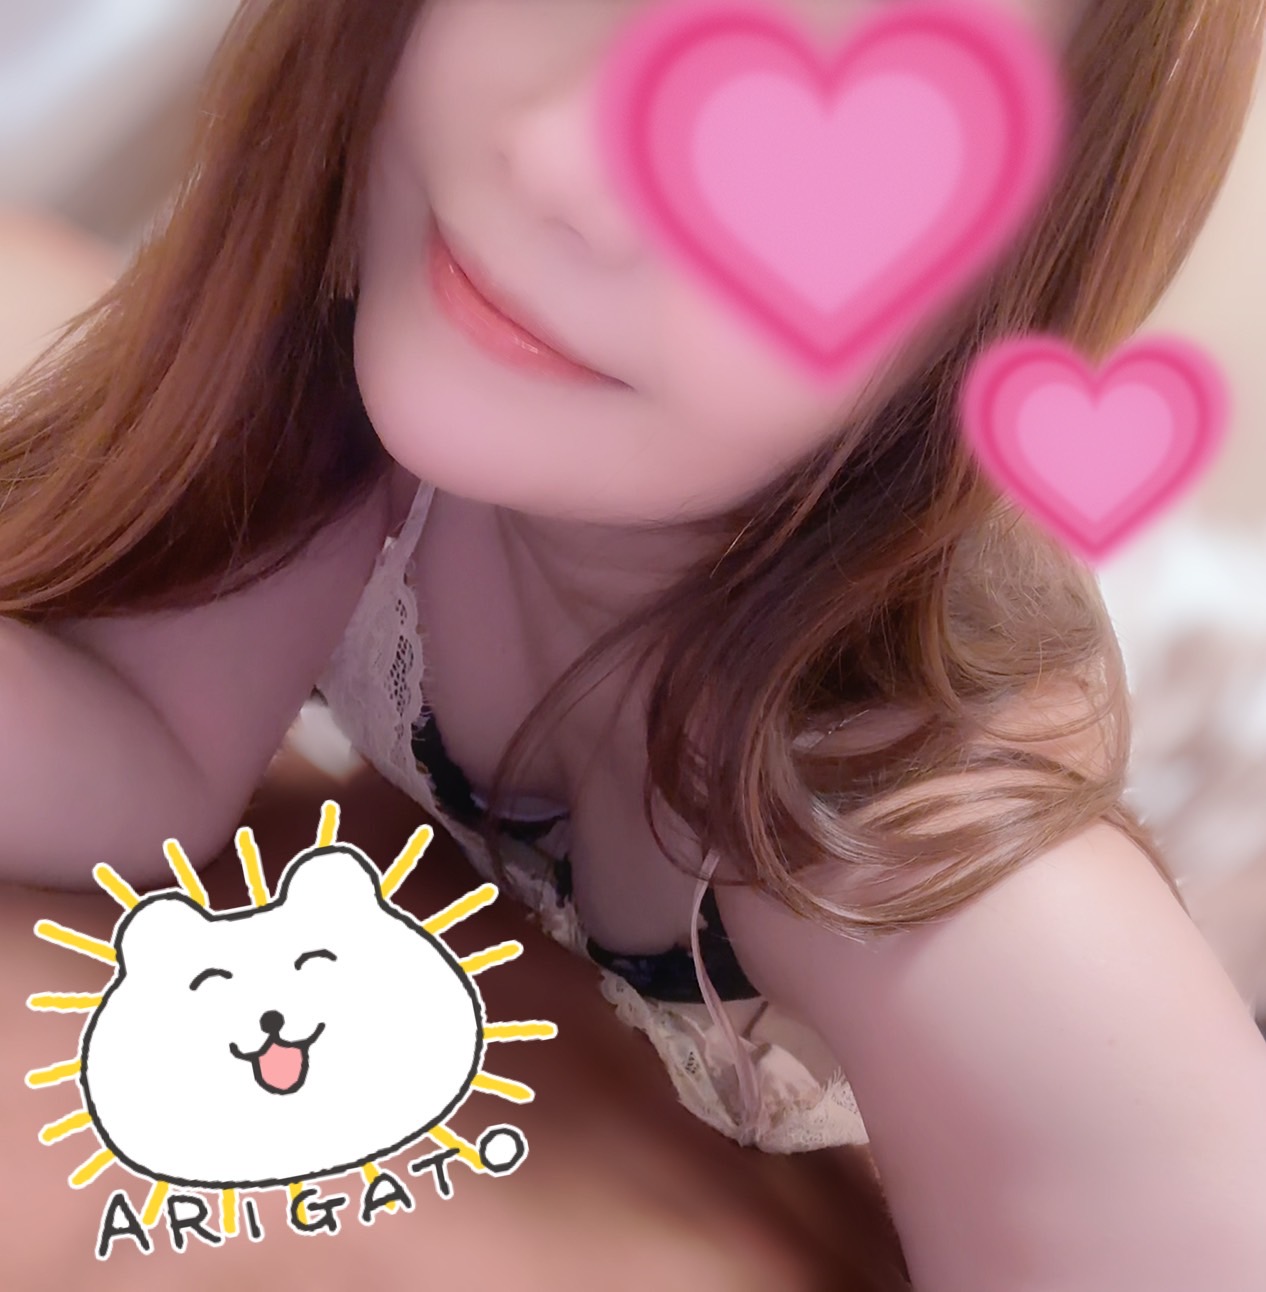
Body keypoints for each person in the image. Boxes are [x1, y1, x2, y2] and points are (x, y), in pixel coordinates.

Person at [2, 1, 1265, 1287]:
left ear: (1001, 306)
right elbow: (144, 740)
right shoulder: (383, 382)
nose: (564, 159)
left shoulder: (933, 865)